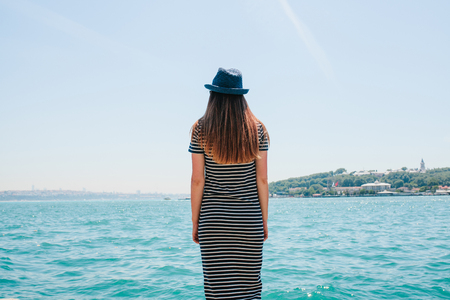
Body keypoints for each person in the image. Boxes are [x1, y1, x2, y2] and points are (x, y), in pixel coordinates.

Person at [189, 68, 269, 300]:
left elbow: (197, 180)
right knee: (250, 291)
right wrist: (262, 221)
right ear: (241, 97)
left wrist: (196, 222)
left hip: (213, 222)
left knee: (218, 293)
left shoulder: (200, 129)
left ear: (213, 95)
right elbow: (262, 180)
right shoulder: (258, 130)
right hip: (248, 220)